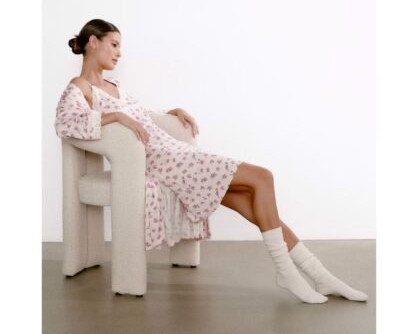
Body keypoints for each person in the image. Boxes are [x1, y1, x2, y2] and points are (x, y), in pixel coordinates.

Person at [54, 18, 368, 304]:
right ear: (93, 42)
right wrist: (113, 117)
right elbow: (65, 122)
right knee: (262, 177)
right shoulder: (80, 87)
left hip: (175, 151)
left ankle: (318, 274)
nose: (119, 52)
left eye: (119, 46)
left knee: (249, 197)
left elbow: (142, 116)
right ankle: (289, 273)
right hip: (162, 161)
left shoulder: (115, 86)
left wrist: (170, 112)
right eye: (113, 44)